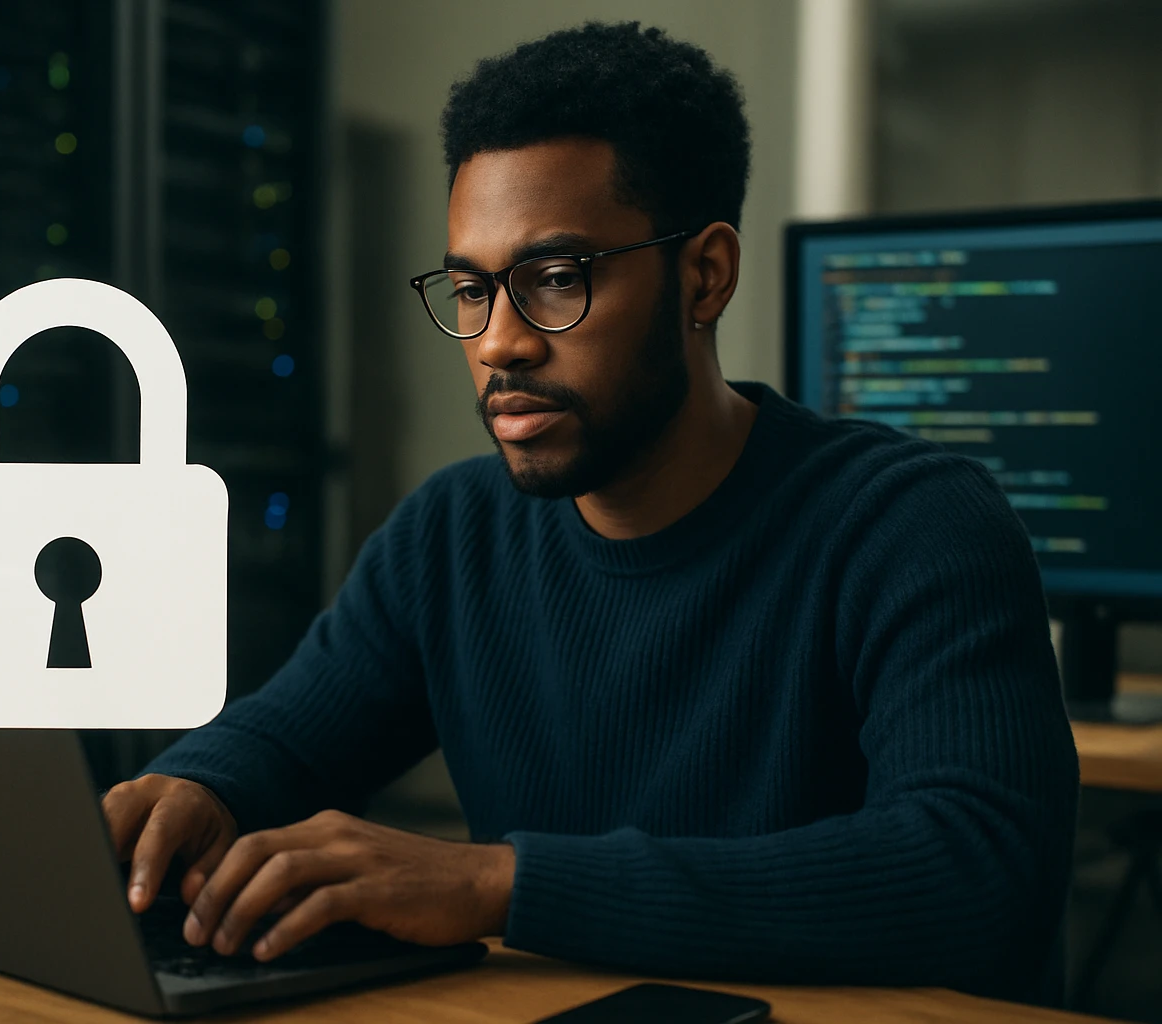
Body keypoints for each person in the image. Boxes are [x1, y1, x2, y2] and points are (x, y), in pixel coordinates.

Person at [102, 22, 1078, 1003]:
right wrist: (192, 792)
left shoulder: (914, 525)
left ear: (705, 275)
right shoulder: (450, 534)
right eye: (475, 290)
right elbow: (283, 739)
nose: (499, 345)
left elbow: (975, 875)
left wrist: (497, 882)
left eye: (557, 281)